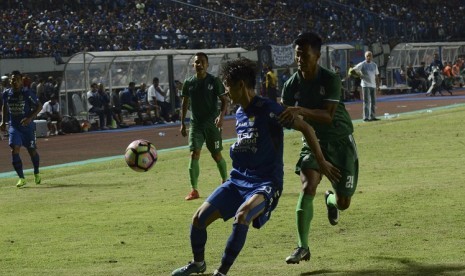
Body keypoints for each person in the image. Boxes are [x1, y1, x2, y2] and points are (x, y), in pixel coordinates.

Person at [171, 57, 340, 276]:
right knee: (198, 219)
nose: (226, 91)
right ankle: (198, 263)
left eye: (228, 86)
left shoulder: (270, 109)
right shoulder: (240, 112)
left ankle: (221, 272)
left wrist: (321, 160)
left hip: (266, 183)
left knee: (242, 216)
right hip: (237, 180)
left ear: (240, 85)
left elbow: (306, 128)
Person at [279, 32, 359, 265]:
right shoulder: (290, 85)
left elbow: (327, 116)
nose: (299, 59)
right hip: (312, 142)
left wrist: (300, 110)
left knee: (344, 203)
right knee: (307, 186)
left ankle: (331, 199)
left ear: (317, 55)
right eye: (297, 54)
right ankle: (302, 246)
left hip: (341, 141)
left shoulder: (330, 79)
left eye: (304, 54)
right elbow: (288, 116)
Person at [180, 52, 228, 200]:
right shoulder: (188, 83)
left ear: (207, 64)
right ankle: (194, 190)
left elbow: (225, 100)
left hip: (212, 125)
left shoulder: (214, 81)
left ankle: (225, 182)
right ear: (193, 65)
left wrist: (220, 117)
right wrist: (182, 123)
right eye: (196, 62)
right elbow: (185, 103)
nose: (199, 64)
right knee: (194, 153)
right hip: (196, 125)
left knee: (216, 155)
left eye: (202, 62)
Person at [0, 70, 43, 187]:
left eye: (17, 79)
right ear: (10, 80)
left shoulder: (27, 93)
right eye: (13, 79)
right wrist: (3, 121)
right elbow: (4, 106)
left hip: (27, 127)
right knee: (14, 149)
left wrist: (29, 118)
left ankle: (36, 172)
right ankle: (21, 178)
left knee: (32, 151)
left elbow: (39, 106)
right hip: (14, 127)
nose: (15, 81)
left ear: (21, 81)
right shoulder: (6, 93)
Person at [353, 50, 381, 121]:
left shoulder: (374, 65)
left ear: (372, 57)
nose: (369, 57)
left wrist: (378, 86)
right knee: (366, 101)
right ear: (365, 57)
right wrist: (359, 75)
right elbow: (353, 70)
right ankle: (365, 117)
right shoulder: (362, 64)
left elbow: (376, 76)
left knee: (373, 102)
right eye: (367, 56)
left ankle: (372, 116)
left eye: (370, 56)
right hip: (365, 85)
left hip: (373, 85)